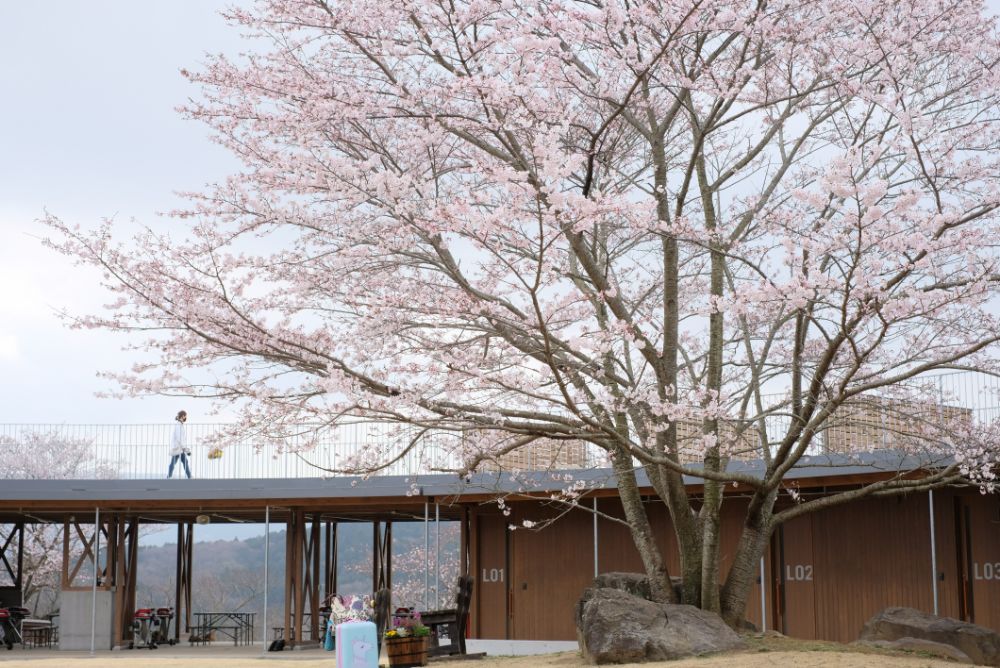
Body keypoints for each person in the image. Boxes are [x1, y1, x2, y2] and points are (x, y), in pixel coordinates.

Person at [167, 410, 191, 479]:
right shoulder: (178, 425)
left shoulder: (180, 424)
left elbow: (181, 438)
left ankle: (169, 476)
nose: (186, 417)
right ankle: (169, 477)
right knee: (175, 462)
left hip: (179, 448)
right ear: (183, 416)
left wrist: (184, 448)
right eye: (185, 416)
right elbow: (179, 437)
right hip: (178, 448)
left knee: (183, 462)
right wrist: (184, 448)